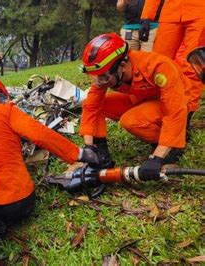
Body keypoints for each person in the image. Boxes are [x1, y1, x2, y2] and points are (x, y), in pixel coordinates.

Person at [0, 77, 100, 236]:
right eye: (3, 98)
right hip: (20, 202)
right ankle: (9, 219)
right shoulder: (7, 111)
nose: (4, 101)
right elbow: (42, 136)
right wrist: (80, 154)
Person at [80, 33, 192, 181]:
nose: (99, 82)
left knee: (131, 121)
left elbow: (175, 112)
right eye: (95, 77)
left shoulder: (159, 66)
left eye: (103, 77)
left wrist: (157, 158)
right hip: (142, 98)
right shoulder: (107, 73)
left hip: (177, 100)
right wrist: (89, 147)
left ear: (122, 66)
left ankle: (174, 144)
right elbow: (91, 107)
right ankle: (102, 154)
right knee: (100, 104)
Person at [141, 0, 205, 118]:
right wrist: (146, 16)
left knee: (194, 63)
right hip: (171, 12)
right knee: (159, 61)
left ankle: (187, 113)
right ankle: (154, 106)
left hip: (200, 12)